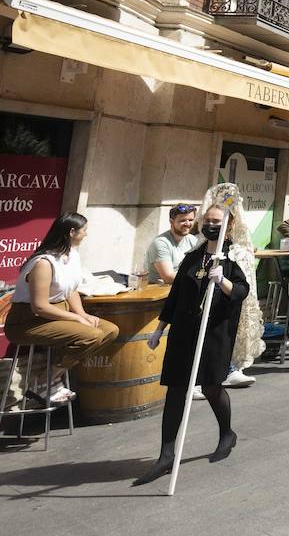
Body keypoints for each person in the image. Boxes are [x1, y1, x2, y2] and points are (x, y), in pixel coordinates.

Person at [132, 198, 249, 485]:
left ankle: (226, 433)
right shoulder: (192, 256)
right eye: (206, 221)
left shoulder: (234, 257)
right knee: (176, 390)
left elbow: (242, 291)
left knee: (211, 386)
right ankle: (166, 454)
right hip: (184, 331)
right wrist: (160, 328)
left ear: (229, 225)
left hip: (215, 332)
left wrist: (223, 281)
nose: (209, 225)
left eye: (216, 222)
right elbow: (176, 295)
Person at [4, 214, 119, 406]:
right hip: (28, 321)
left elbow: (70, 289)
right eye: (84, 231)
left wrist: (81, 313)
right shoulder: (44, 262)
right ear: (71, 232)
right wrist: (75, 319)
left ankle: (48, 379)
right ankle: (45, 383)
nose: (86, 234)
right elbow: (39, 307)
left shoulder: (72, 254)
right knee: (90, 335)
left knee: (109, 331)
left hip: (56, 313)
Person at [147, 204, 200, 285]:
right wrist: (197, 274)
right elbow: (168, 278)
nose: (187, 224)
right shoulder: (161, 243)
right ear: (171, 222)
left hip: (183, 287)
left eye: (191, 220)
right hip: (161, 293)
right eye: (183, 220)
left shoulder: (193, 240)